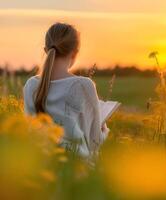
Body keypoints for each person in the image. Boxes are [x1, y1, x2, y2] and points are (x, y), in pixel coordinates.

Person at [23, 22, 109, 159]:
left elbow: (30, 131)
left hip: (40, 166)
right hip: (76, 169)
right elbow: (94, 144)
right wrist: (104, 132)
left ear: (46, 50)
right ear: (75, 53)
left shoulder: (31, 85)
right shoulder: (83, 85)